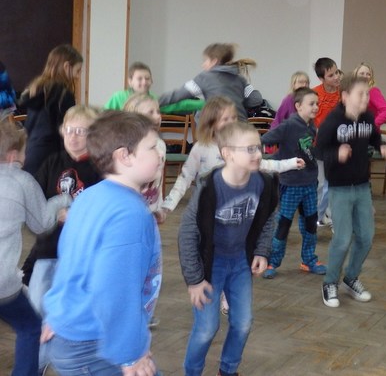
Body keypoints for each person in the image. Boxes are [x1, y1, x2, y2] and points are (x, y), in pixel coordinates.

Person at [42, 111, 162, 375]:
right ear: (124, 156)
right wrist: (130, 354)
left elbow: (70, 260)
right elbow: (116, 290)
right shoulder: (130, 214)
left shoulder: (89, 196)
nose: (160, 155)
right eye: (152, 147)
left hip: (72, 332)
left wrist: (58, 316)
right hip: (94, 342)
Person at [178, 121, 278, 376]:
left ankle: (228, 369)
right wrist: (194, 279)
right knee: (207, 328)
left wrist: (261, 250)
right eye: (250, 149)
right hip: (211, 265)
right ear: (228, 154)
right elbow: (187, 233)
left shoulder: (264, 183)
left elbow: (268, 217)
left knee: (243, 323)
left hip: (240, 262)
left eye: (259, 147)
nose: (258, 154)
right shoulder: (209, 189)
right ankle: (192, 372)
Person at [0, 119, 71, 376]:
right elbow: (41, 223)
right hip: (2, 284)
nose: (25, 157)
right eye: (23, 152)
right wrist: (62, 200)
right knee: (30, 327)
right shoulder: (22, 180)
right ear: (12, 156)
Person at [316, 75, 386, 308]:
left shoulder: (367, 118)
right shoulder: (333, 120)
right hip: (339, 188)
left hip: (362, 186)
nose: (366, 98)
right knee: (342, 239)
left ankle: (351, 278)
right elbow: (318, 150)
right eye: (361, 94)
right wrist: (335, 154)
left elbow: (375, 137)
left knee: (366, 237)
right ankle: (330, 282)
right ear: (345, 96)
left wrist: (382, 145)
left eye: (367, 94)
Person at [22, 105, 101, 319]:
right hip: (47, 249)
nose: (72, 137)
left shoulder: (99, 168)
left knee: (74, 308)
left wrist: (75, 215)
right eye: (69, 130)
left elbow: (101, 208)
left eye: (80, 131)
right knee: (38, 306)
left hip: (82, 253)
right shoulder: (52, 162)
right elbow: (34, 195)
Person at [163, 96, 301, 214]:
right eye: (225, 119)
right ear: (211, 123)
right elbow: (185, 177)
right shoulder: (201, 148)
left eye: (234, 117)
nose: (231, 122)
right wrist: (169, 203)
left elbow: (264, 164)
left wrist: (292, 163)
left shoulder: (241, 146)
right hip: (206, 209)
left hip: (233, 209)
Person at [261, 87, 324, 279]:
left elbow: (310, 152)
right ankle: (273, 262)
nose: (316, 107)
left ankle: (309, 260)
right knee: (283, 224)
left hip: (310, 184)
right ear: (298, 106)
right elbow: (265, 139)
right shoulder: (288, 125)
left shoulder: (312, 127)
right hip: (291, 185)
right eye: (311, 104)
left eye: (317, 103)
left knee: (310, 224)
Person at [17, 44, 83, 174]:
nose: (78, 76)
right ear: (66, 67)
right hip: (51, 157)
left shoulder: (36, 89)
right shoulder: (64, 95)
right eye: (78, 70)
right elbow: (65, 130)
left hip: (30, 152)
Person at [159, 43, 262, 122]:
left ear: (214, 61)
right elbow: (256, 99)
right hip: (240, 127)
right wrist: (238, 102)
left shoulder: (204, 77)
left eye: (205, 60)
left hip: (217, 128)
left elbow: (178, 95)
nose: (203, 65)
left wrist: (154, 102)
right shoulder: (240, 79)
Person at [123, 93, 168, 224]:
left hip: (151, 210)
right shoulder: (127, 147)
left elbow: (159, 180)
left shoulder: (160, 144)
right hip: (130, 211)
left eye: (158, 112)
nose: (158, 116)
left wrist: (159, 207)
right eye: (151, 112)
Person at [312, 57, 341, 228]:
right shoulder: (314, 94)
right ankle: (319, 215)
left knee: (336, 183)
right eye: (331, 75)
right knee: (322, 183)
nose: (336, 77)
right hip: (321, 146)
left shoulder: (343, 93)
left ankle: (332, 216)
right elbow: (310, 119)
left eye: (336, 72)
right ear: (321, 78)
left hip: (339, 145)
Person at [352, 62, 386, 128]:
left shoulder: (373, 91)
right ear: (355, 75)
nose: (365, 76)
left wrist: (372, 126)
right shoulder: (352, 91)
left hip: (368, 132)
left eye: (368, 74)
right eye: (362, 73)